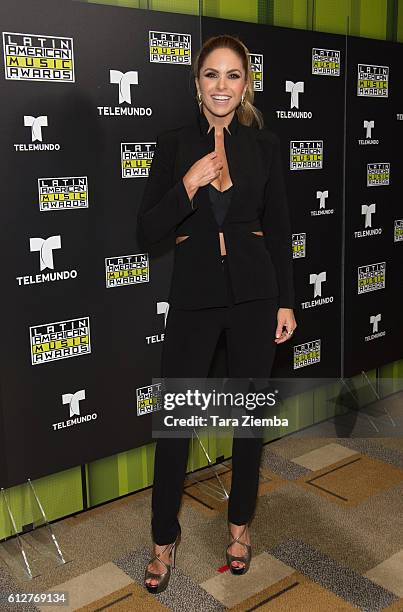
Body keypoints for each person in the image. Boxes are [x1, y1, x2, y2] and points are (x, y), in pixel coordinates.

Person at [137, 34, 297, 594]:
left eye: (232, 75)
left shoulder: (265, 146)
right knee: (176, 425)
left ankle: (239, 528)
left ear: (246, 83)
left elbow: (278, 230)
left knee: (248, 422)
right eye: (211, 75)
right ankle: (163, 540)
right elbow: (148, 229)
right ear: (197, 82)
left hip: (255, 298)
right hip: (195, 302)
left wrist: (286, 300)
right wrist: (188, 184)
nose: (221, 86)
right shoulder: (175, 144)